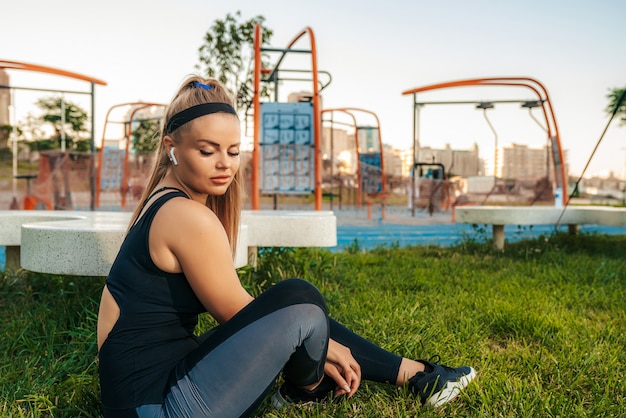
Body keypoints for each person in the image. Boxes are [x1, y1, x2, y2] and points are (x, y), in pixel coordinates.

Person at [97, 76, 476, 418]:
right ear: (172, 148)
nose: (224, 165)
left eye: (232, 151)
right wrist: (325, 345)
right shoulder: (186, 215)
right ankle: (416, 378)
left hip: (140, 393)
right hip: (158, 405)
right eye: (207, 150)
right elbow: (236, 311)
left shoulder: (163, 198)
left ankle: (315, 389)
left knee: (292, 306)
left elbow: (251, 315)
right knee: (300, 301)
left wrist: (311, 337)